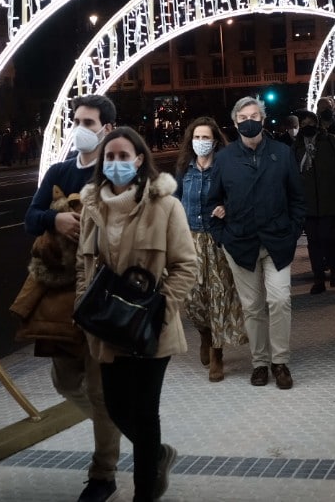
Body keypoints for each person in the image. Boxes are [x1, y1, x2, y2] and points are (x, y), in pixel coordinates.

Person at [77, 127, 197, 502]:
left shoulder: (165, 206)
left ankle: (144, 490)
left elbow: (186, 266)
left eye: (123, 156)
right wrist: (83, 306)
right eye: (109, 157)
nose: (116, 163)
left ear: (139, 159)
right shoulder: (92, 207)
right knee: (115, 407)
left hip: (150, 329)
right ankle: (157, 454)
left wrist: (160, 308)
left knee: (145, 412)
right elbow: (83, 265)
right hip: (108, 327)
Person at [23, 94, 121, 502]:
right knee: (64, 381)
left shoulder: (113, 172)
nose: (80, 129)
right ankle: (138, 438)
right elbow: (30, 219)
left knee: (99, 389)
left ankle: (103, 474)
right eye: (76, 121)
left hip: (101, 294)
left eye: (88, 122)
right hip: (62, 298)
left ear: (107, 129)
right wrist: (56, 218)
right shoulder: (59, 171)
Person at [205, 96, 307, 390]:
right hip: (240, 243)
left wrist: (292, 231)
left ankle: (280, 361)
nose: (248, 122)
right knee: (252, 307)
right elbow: (212, 202)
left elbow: (297, 198)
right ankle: (260, 363)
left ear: (262, 119)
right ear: (235, 122)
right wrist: (222, 235)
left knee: (280, 300)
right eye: (243, 117)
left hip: (277, 241)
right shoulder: (224, 158)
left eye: (254, 116)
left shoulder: (282, 153)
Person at [174, 116, 246, 383]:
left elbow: (237, 197)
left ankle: (217, 354)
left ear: (215, 142)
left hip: (216, 240)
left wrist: (227, 207)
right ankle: (204, 334)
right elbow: (175, 201)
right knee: (193, 300)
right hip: (190, 240)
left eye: (206, 137)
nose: (201, 142)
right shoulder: (185, 170)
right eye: (196, 137)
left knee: (218, 297)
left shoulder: (223, 168)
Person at [291, 108, 335, 294]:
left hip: (329, 200)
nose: (307, 126)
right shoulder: (297, 146)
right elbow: (292, 173)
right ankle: (318, 278)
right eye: (304, 123)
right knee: (313, 241)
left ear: (317, 123)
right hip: (308, 203)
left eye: (311, 122)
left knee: (329, 238)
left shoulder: (330, 140)